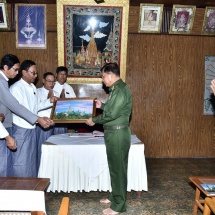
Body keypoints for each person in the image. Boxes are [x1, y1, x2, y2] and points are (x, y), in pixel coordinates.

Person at [86, 63, 132, 215]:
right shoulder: (116, 90)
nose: (103, 80)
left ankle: (119, 205)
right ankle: (115, 196)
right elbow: (113, 110)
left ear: (111, 74)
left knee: (118, 169)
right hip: (114, 134)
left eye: (103, 76)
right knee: (115, 168)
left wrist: (94, 119)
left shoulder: (119, 90)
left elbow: (112, 115)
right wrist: (102, 105)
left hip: (118, 134)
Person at [0, 54, 53, 177]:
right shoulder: (12, 86)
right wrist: (37, 119)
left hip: (30, 128)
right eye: (15, 69)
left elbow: (33, 108)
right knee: (19, 163)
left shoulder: (31, 86)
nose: (17, 73)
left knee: (29, 162)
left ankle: (28, 190)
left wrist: (46, 106)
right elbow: (15, 106)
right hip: (19, 128)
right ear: (6, 67)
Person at [36, 72, 59, 171]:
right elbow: (35, 108)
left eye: (53, 82)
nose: (51, 83)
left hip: (54, 124)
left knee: (55, 149)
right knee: (43, 149)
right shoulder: (37, 92)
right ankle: (41, 169)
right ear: (43, 81)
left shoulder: (57, 94)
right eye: (49, 81)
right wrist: (48, 99)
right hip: (42, 125)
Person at [53, 66, 76, 134]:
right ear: (56, 74)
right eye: (61, 74)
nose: (62, 76)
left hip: (65, 116)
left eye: (64, 74)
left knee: (61, 137)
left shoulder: (69, 88)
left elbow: (74, 101)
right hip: (52, 117)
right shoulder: (52, 86)